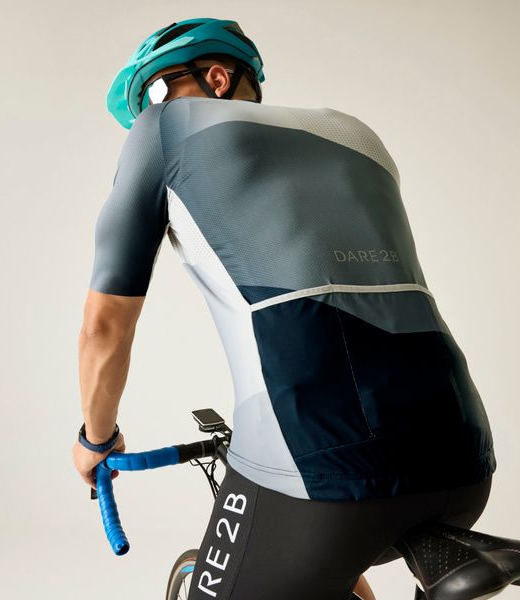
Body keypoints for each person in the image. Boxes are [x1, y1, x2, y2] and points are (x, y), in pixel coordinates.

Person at [73, 18, 497, 600]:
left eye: (157, 89)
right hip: (462, 449)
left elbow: (104, 325)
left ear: (216, 77)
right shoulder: (354, 133)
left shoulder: (165, 128)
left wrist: (96, 439)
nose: (151, 108)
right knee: (329, 557)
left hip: (316, 454)